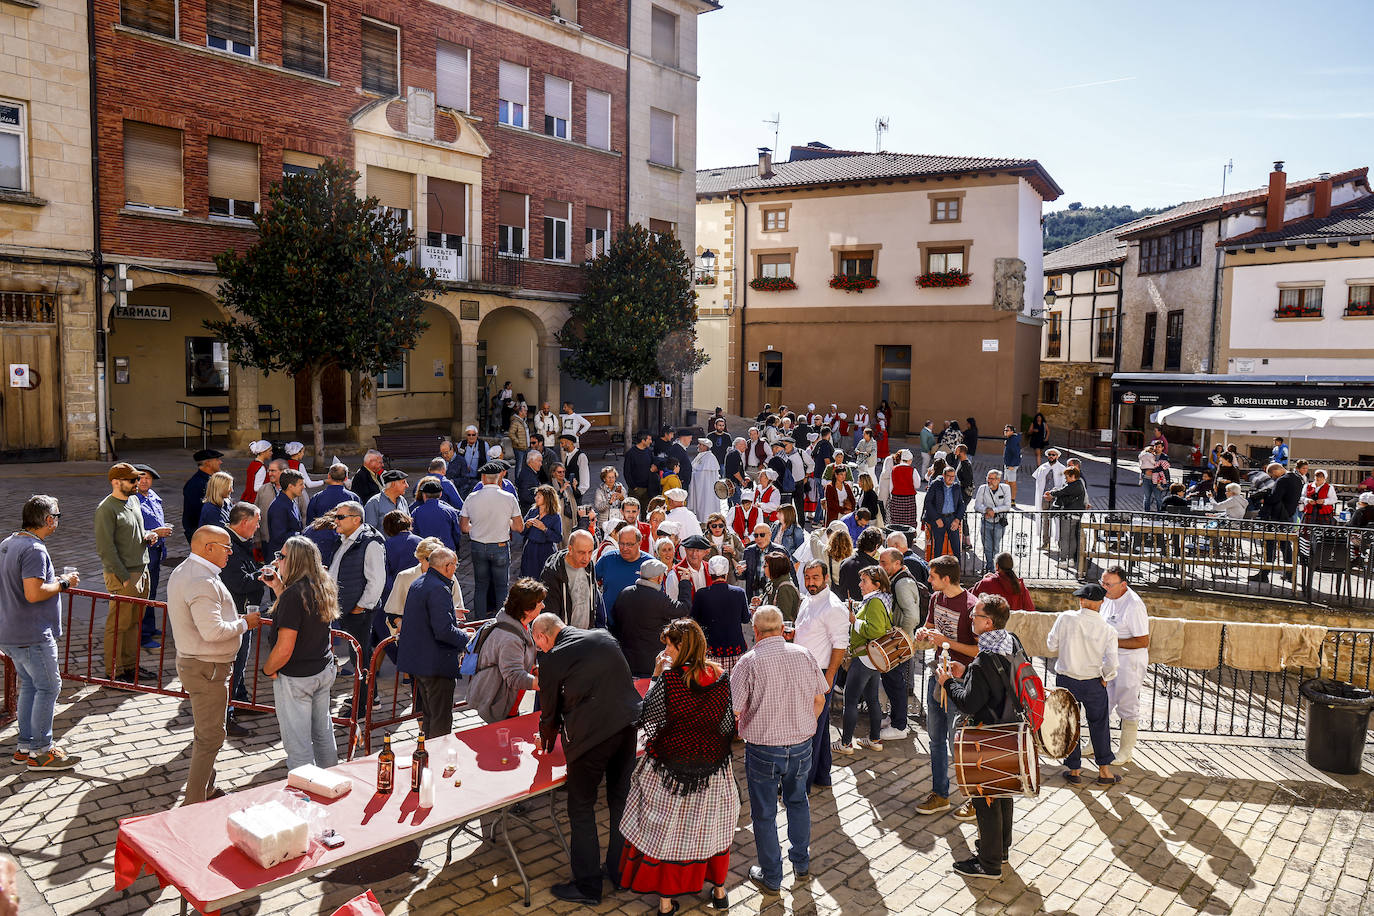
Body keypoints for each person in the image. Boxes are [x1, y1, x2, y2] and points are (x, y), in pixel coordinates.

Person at [620, 618, 737, 913]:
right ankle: (720, 892)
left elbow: (647, 716)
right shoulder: (721, 676)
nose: (666, 651)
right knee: (711, 827)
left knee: (667, 830)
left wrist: (658, 674)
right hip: (711, 767)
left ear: (682, 646)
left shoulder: (670, 680)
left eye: (670, 645)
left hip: (672, 767)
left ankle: (666, 902)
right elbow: (725, 725)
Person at [533, 612, 643, 905]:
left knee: (581, 807)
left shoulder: (552, 657)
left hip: (591, 736)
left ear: (543, 636)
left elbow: (549, 708)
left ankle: (587, 886)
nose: (540, 649)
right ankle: (621, 873)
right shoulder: (603, 636)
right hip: (627, 725)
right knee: (620, 799)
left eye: (538, 644)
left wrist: (546, 739)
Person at [730, 606, 829, 896]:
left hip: (763, 748)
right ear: (783, 630)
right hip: (801, 745)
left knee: (764, 814)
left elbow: (734, 710)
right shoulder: (803, 654)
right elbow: (820, 699)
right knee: (798, 802)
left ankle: (772, 876)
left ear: (756, 632)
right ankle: (801, 863)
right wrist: (806, 723)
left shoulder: (748, 662)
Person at [166, 526, 262, 803]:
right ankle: (195, 802)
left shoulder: (188, 570)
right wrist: (245, 623)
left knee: (205, 733)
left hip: (199, 664)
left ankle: (206, 788)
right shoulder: (202, 581)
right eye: (226, 547)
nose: (231, 553)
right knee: (210, 738)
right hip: (207, 667)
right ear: (207, 547)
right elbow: (213, 632)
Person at [936, 593, 1019, 879]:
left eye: (976, 615)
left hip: (986, 735)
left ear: (988, 622)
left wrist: (948, 682)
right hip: (1009, 728)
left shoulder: (985, 658)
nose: (971, 618)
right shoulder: (1010, 642)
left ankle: (988, 863)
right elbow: (993, 685)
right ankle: (1000, 850)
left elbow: (969, 703)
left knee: (985, 797)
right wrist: (966, 673)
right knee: (1003, 790)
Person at [0, 496, 81, 770]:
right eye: (57, 516)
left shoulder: (8, 543)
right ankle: (42, 751)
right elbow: (34, 593)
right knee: (48, 686)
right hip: (32, 633)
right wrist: (63, 583)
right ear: (48, 520)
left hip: (11, 631)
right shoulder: (34, 549)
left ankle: (25, 747)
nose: (58, 521)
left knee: (32, 686)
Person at [260, 536, 340, 769]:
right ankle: (331, 780)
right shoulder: (322, 584)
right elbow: (303, 612)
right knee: (323, 732)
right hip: (322, 670)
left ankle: (304, 796)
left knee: (298, 744)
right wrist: (278, 587)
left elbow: (285, 648)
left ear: (294, 561)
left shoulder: (294, 595)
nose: (277, 561)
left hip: (297, 678)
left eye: (281, 556)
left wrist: (268, 669)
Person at [914, 554, 979, 818]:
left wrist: (947, 642)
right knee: (936, 739)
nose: (928, 580)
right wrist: (922, 632)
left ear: (946, 578)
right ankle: (941, 794)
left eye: (932, 576)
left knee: (959, 743)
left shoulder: (972, 605)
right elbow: (929, 628)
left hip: (961, 680)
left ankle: (975, 798)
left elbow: (978, 650)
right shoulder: (935, 599)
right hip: (937, 674)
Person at [1047, 583, 1120, 785]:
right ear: (1101, 602)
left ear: (1082, 601)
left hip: (1066, 679)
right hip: (1093, 681)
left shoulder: (1065, 618)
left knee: (1069, 724)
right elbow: (1112, 662)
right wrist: (1106, 676)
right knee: (1100, 724)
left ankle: (1074, 769)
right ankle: (1104, 770)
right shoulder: (1108, 629)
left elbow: (1051, 645)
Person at [97, 462, 161, 682]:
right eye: (132, 480)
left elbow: (136, 531)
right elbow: (106, 549)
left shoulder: (134, 501)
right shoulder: (106, 509)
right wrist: (123, 578)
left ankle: (130, 668)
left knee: (135, 623)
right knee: (119, 625)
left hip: (142, 570)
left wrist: (148, 535)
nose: (137, 483)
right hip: (124, 575)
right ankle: (113, 672)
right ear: (116, 482)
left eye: (138, 479)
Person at [397, 547, 470, 739]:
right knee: (440, 719)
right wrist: (466, 638)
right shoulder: (439, 588)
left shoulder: (420, 582)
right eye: (455, 565)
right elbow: (444, 631)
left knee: (429, 716)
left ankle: (427, 755)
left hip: (419, 663)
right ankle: (437, 758)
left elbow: (426, 618)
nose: (456, 568)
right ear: (447, 566)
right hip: (435, 664)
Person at [792, 561, 847, 790]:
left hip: (821, 672)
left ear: (826, 578)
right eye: (807, 577)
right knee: (820, 726)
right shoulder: (807, 599)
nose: (811, 582)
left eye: (815, 577)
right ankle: (822, 775)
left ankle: (801, 785)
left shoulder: (833, 606)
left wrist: (829, 676)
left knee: (809, 727)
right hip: (804, 670)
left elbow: (840, 645)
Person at [324, 501, 385, 707]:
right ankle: (370, 697)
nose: (336, 521)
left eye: (340, 517)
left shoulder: (370, 542)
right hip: (347, 607)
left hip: (358, 610)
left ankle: (364, 702)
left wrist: (362, 606)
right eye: (336, 516)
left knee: (361, 655)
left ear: (356, 519)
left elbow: (377, 580)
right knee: (358, 654)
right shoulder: (346, 538)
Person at [833, 565, 893, 755]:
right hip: (872, 659)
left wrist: (854, 620)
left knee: (850, 702)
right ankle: (875, 739)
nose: (860, 584)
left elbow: (875, 630)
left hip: (864, 658)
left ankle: (846, 744)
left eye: (864, 581)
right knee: (872, 700)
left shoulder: (875, 602)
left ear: (877, 584)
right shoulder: (879, 599)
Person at [467, 578, 543, 723]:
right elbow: (514, 676)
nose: (543, 606)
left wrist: (533, 669)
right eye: (540, 603)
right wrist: (544, 684)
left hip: (509, 703)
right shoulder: (510, 639)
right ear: (528, 610)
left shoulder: (517, 624)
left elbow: (518, 658)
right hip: (501, 707)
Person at [220, 503, 265, 733]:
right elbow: (237, 582)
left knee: (242, 661)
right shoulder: (229, 545)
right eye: (256, 522)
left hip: (243, 611)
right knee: (235, 664)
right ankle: (226, 715)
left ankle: (240, 700)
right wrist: (263, 575)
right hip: (235, 614)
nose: (258, 527)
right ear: (245, 522)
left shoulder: (238, 541)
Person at [461, 462, 526, 618]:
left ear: (483, 478)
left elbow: (464, 527)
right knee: (502, 587)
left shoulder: (472, 497)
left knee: (481, 586)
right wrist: (506, 522)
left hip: (478, 546)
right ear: (499, 478)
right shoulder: (509, 498)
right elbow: (519, 527)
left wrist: (476, 527)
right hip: (500, 546)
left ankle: (480, 622)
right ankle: (501, 621)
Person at [1099, 566, 1149, 765]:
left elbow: (1143, 641)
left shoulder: (1134, 605)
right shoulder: (1108, 599)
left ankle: (1126, 750)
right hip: (1108, 661)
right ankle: (1097, 744)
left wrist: (1111, 642)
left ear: (1123, 585)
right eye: (1102, 583)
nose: (1104, 588)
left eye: (1108, 584)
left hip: (1130, 663)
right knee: (1103, 703)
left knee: (1127, 705)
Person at [609, 559, 685, 677]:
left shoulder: (625, 593)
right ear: (659, 578)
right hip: (651, 662)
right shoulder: (658, 599)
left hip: (626, 659)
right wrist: (685, 583)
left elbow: (614, 619)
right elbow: (683, 609)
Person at [877, 547, 923, 740]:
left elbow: (912, 616)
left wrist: (899, 638)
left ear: (897, 564)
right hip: (898, 641)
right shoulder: (898, 579)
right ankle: (895, 718)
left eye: (884, 563)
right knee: (892, 681)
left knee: (896, 683)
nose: (880, 566)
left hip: (899, 643)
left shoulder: (902, 583)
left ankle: (899, 726)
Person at [132, 464, 172, 648]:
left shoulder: (154, 496)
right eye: (141, 477)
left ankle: (150, 626)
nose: (145, 481)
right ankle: (142, 634)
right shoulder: (132, 500)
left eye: (148, 478)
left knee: (152, 590)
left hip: (156, 549)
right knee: (144, 592)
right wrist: (156, 531)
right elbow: (131, 530)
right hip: (143, 550)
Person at [692, 555, 751, 672]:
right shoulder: (739, 592)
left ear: (710, 574)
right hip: (735, 649)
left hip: (711, 651)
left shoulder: (701, 594)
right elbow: (745, 619)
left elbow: (694, 620)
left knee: (713, 687)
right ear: (726, 573)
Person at [540, 529, 605, 629]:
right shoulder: (553, 573)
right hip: (566, 638)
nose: (586, 558)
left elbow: (595, 599)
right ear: (570, 549)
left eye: (590, 552)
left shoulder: (589, 566)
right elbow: (549, 613)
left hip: (586, 634)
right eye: (581, 553)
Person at [1250, 462, 1302, 583]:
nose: (1273, 478)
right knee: (1285, 545)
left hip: (1276, 518)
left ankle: (1264, 574)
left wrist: (1264, 498)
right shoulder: (1297, 479)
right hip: (1288, 516)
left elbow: (1274, 498)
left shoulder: (1282, 480)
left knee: (1270, 545)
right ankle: (1289, 573)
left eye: (1272, 475)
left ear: (1276, 471)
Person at [594, 523, 647, 626]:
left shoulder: (649, 564)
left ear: (639, 542)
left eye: (629, 544)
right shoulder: (608, 559)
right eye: (621, 544)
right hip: (607, 625)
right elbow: (590, 581)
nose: (624, 548)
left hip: (637, 628)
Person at [1046, 465, 1088, 567]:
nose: (1066, 479)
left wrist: (1051, 492)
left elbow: (1062, 491)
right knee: (1072, 538)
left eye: (1067, 477)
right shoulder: (1078, 484)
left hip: (1068, 515)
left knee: (1064, 538)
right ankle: (1071, 559)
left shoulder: (1074, 485)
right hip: (1076, 516)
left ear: (1073, 476)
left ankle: (1064, 560)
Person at [923, 465, 967, 559]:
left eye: (953, 476)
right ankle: (937, 571)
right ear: (943, 475)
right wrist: (936, 518)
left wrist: (957, 519)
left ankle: (956, 571)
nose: (951, 478)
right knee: (938, 548)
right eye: (949, 476)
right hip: (939, 519)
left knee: (956, 548)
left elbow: (961, 504)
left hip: (952, 519)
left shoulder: (956, 486)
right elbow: (928, 502)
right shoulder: (935, 485)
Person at [975, 469, 1014, 574]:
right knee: (987, 546)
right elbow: (977, 505)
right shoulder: (982, 489)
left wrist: (994, 511)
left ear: (998, 480)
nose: (989, 481)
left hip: (999, 522)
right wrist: (986, 510)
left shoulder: (1005, 488)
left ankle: (996, 568)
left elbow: (1007, 505)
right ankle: (989, 567)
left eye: (992, 479)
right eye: (988, 478)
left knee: (996, 547)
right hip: (986, 521)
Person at [182, 448, 224, 545]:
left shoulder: (210, 480)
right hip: (201, 532)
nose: (220, 462)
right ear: (208, 463)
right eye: (217, 460)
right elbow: (197, 512)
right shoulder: (196, 484)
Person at [411, 478, 463, 551]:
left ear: (424, 495)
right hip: (447, 550)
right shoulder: (450, 511)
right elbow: (456, 533)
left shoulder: (416, 512)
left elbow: (414, 533)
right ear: (440, 494)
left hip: (426, 550)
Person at [971, 552, 1035, 611]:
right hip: (1015, 622)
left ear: (997, 566)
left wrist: (983, 580)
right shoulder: (1020, 585)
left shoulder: (986, 583)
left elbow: (971, 601)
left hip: (992, 623)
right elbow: (1030, 609)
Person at [267, 469, 306, 558]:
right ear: (290, 486)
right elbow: (279, 536)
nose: (304, 487)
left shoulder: (291, 501)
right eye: (301, 484)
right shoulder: (279, 507)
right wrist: (303, 534)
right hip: (282, 558)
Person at [1031, 448, 1066, 549]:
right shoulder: (1042, 467)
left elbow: (1064, 484)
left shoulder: (1062, 468)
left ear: (1057, 456)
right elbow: (1038, 482)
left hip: (1056, 499)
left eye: (1053, 455)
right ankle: (1046, 542)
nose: (1051, 456)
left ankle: (1059, 543)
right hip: (1044, 498)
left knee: (1058, 520)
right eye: (1050, 454)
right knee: (1045, 520)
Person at [760, 551, 800, 623]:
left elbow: (784, 619)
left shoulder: (785, 588)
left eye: (765, 565)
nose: (763, 567)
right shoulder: (773, 582)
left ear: (774, 568)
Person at [253, 460, 285, 548]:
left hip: (289, 542)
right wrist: (257, 538)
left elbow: (304, 515)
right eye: (269, 471)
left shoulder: (295, 489)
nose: (270, 474)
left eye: (273, 471)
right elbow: (256, 515)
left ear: (283, 472)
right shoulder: (263, 490)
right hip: (267, 541)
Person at [689, 439, 721, 524]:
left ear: (705, 447)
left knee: (707, 506)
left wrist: (693, 474)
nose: (698, 446)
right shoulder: (701, 455)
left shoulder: (710, 457)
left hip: (707, 489)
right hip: (700, 489)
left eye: (700, 445)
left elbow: (703, 475)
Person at [451, 427, 489, 498]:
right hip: (464, 479)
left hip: (478, 478)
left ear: (477, 435)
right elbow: (456, 460)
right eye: (469, 435)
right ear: (466, 436)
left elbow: (488, 462)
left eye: (473, 435)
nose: (471, 437)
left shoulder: (484, 445)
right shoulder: (461, 444)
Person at [624, 431, 659, 507]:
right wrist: (633, 487)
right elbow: (627, 472)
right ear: (643, 440)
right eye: (649, 439)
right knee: (632, 512)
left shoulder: (648, 452)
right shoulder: (631, 453)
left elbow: (653, 463)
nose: (651, 441)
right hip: (635, 490)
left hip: (648, 489)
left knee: (646, 513)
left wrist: (655, 468)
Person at [241, 440, 274, 504]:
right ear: (263, 452)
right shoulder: (261, 467)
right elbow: (257, 488)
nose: (271, 453)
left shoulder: (253, 464)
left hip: (248, 498)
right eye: (270, 451)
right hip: (255, 501)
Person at [1137, 440, 1164, 513]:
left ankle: (1160, 514)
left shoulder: (1163, 457)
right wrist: (1146, 471)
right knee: (1147, 497)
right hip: (1146, 478)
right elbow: (1142, 466)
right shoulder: (1149, 455)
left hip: (1155, 480)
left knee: (1158, 498)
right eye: (1155, 446)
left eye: (1159, 447)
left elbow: (1164, 468)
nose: (1156, 448)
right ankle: (1146, 513)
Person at [1001, 425, 1022, 501]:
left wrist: (1012, 465)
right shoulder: (1010, 439)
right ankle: (1007, 499)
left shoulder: (1013, 440)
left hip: (1011, 465)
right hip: (1007, 464)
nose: (1005, 431)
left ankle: (1012, 500)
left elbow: (1017, 454)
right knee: (1007, 482)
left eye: (1007, 430)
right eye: (1005, 430)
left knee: (1012, 483)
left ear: (1012, 432)